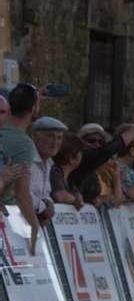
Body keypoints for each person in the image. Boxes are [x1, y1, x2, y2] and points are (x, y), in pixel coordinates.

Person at [0, 83, 43, 254]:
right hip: (6, 219)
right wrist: (34, 225)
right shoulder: (24, 144)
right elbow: (21, 192)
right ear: (34, 108)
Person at [30, 116, 68, 226]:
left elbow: (45, 193)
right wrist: (43, 208)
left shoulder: (49, 163)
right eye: (50, 136)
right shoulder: (27, 159)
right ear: (35, 137)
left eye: (59, 137)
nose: (55, 142)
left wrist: (49, 204)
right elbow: (20, 192)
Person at [50, 133, 85, 209]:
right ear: (72, 158)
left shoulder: (69, 178)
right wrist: (76, 201)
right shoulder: (55, 171)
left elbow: (77, 195)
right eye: (81, 152)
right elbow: (60, 196)